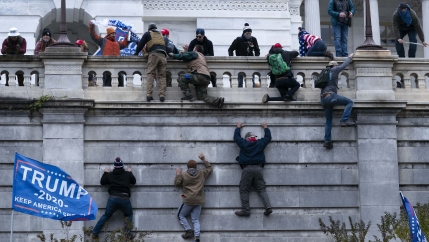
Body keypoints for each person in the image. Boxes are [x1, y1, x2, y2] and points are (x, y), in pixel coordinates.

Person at [233, 121, 273, 217]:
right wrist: (265, 127)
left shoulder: (244, 143)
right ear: (255, 137)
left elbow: (236, 138)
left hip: (247, 169)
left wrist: (238, 127)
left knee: (243, 189)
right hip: (259, 168)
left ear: (247, 138)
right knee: (261, 189)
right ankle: (268, 207)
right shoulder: (260, 143)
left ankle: (246, 210)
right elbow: (268, 138)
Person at [92, 157, 136, 239]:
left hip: (113, 198)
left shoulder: (110, 175)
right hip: (125, 198)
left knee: (106, 216)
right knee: (128, 215)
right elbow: (133, 182)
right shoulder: (127, 174)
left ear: (114, 166)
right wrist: (130, 173)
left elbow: (102, 182)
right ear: (122, 166)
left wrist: (105, 173)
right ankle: (128, 234)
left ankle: (95, 232)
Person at [170, 45, 225, 109]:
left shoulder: (194, 53)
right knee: (201, 96)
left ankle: (188, 96)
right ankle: (218, 101)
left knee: (182, 78)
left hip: (199, 76)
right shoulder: (202, 57)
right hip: (206, 78)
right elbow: (189, 58)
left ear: (195, 50)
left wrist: (173, 55)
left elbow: (183, 56)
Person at [174, 153, 213, 242]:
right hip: (199, 200)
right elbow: (210, 169)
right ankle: (197, 237)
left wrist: (178, 174)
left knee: (180, 215)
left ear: (187, 167)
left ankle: (188, 230)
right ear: (196, 167)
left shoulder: (183, 175)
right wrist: (204, 160)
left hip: (188, 200)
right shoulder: (202, 173)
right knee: (195, 219)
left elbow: (177, 184)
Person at [321, 53, 355, 150]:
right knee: (349, 102)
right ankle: (344, 120)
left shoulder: (324, 72)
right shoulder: (334, 69)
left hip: (323, 99)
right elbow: (344, 65)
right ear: (334, 65)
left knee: (328, 120)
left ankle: (327, 141)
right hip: (330, 96)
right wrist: (350, 57)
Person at [135, 23, 167, 102]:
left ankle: (149, 95)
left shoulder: (148, 34)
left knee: (151, 74)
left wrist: (136, 53)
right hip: (163, 56)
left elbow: (140, 45)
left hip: (154, 54)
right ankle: (162, 95)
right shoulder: (161, 35)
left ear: (149, 29)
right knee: (162, 76)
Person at [89, 22, 128, 87]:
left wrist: (128, 35)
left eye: (114, 34)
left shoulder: (117, 43)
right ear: (108, 34)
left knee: (120, 78)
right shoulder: (103, 41)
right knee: (107, 81)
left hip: (117, 66)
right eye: (112, 34)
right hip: (106, 66)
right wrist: (92, 26)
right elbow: (93, 36)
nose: (114, 35)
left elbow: (125, 43)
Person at [228, 23, 260, 88]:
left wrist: (256, 58)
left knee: (251, 79)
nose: (248, 34)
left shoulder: (253, 39)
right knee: (240, 80)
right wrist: (232, 58)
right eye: (247, 33)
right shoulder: (238, 40)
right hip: (240, 62)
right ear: (244, 33)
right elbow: (230, 49)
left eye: (250, 33)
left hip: (250, 62)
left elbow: (257, 50)